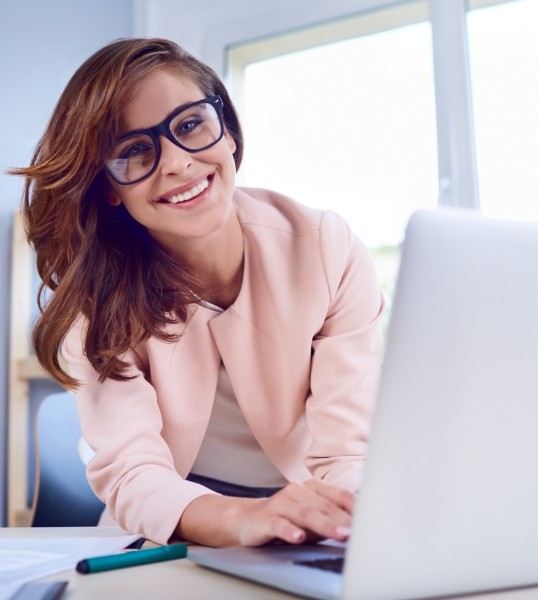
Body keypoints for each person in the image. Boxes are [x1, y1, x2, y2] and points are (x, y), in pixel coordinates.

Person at [11, 38, 384, 547]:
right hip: (166, 540)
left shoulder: (326, 248)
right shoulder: (98, 297)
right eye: (134, 151)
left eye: (189, 125)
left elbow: (348, 454)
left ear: (226, 130)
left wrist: (350, 527)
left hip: (307, 526)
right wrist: (244, 518)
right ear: (109, 190)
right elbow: (134, 473)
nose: (177, 163)